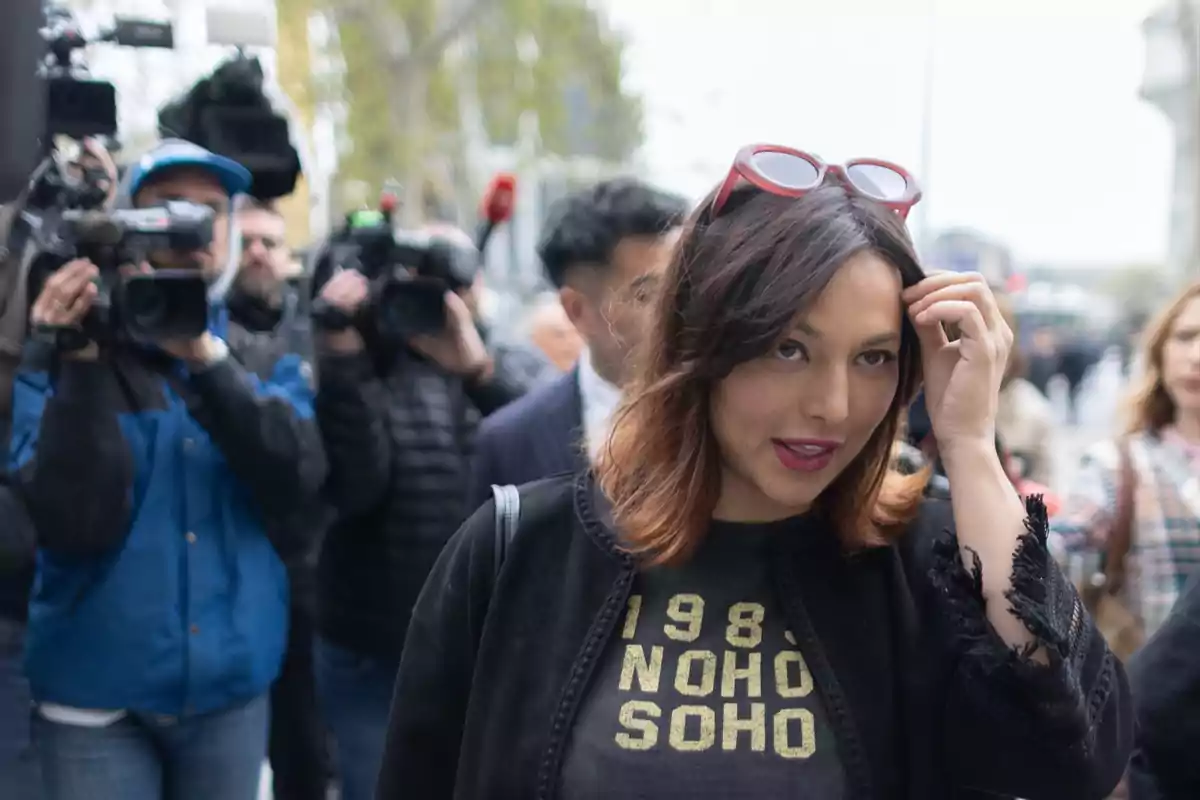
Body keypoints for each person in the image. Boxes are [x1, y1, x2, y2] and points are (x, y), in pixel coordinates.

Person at [378, 145, 1131, 799]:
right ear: (698, 344)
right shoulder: (518, 552)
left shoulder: (927, 560)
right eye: (788, 348)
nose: (833, 406)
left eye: (873, 357)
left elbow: (1078, 754)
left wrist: (968, 446)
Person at [9, 139, 327, 800]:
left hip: (230, 694)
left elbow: (296, 480)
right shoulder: (67, 348)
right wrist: (82, 359)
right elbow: (71, 522)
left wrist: (208, 360)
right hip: (95, 698)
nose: (190, 231)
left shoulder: (262, 355)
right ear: (126, 227)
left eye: (210, 213)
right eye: (167, 211)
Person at [311, 220, 527, 800]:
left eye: (442, 289)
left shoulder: (494, 361)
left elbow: (551, 459)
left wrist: (478, 370)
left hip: (483, 642)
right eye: (409, 286)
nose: (424, 305)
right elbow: (355, 488)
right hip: (372, 645)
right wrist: (344, 358)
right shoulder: (357, 367)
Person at [469, 178, 687, 507]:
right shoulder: (510, 442)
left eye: (685, 285)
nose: (679, 309)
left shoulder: (733, 420)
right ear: (578, 311)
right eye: (649, 294)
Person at [228, 197, 332, 800]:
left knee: (303, 743)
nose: (259, 253)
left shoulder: (314, 330)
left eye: (270, 241)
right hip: (234, 552)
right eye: (245, 242)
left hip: (305, 567)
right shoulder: (193, 326)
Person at [1052, 281, 1200, 645]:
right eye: (1184, 336)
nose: (1196, 355)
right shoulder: (1118, 466)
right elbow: (1056, 551)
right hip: (1155, 692)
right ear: (1160, 351)